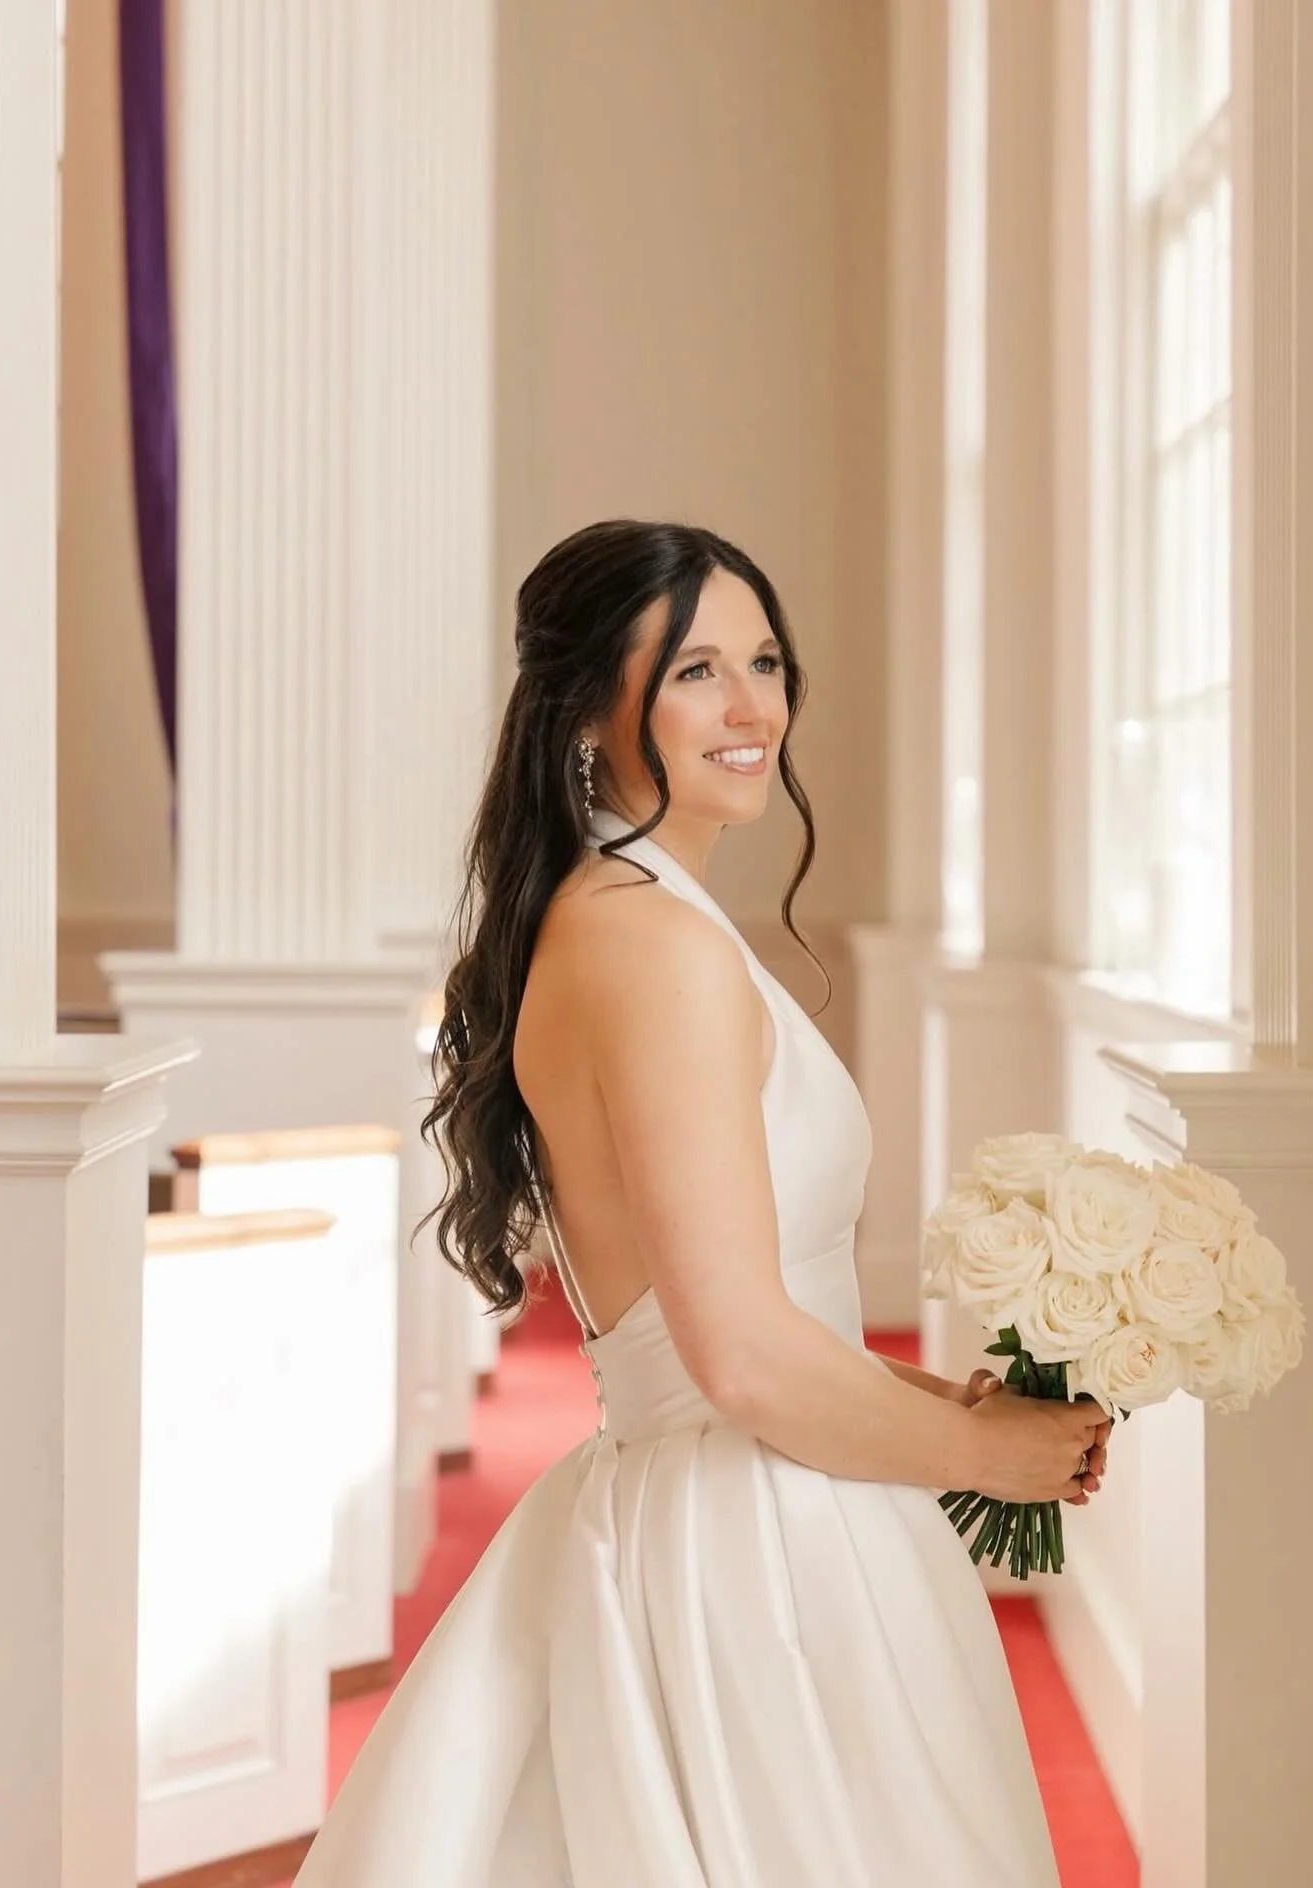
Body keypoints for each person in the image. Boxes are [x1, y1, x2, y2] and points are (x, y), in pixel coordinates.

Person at [293, 520, 1110, 1886]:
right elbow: (732, 1353)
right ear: (587, 710)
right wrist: (986, 1460)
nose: (752, 709)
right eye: (694, 672)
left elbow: (743, 1323)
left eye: (767, 662)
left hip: (762, 1500)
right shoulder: (648, 942)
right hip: (760, 1545)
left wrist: (945, 1409)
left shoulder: (622, 913)